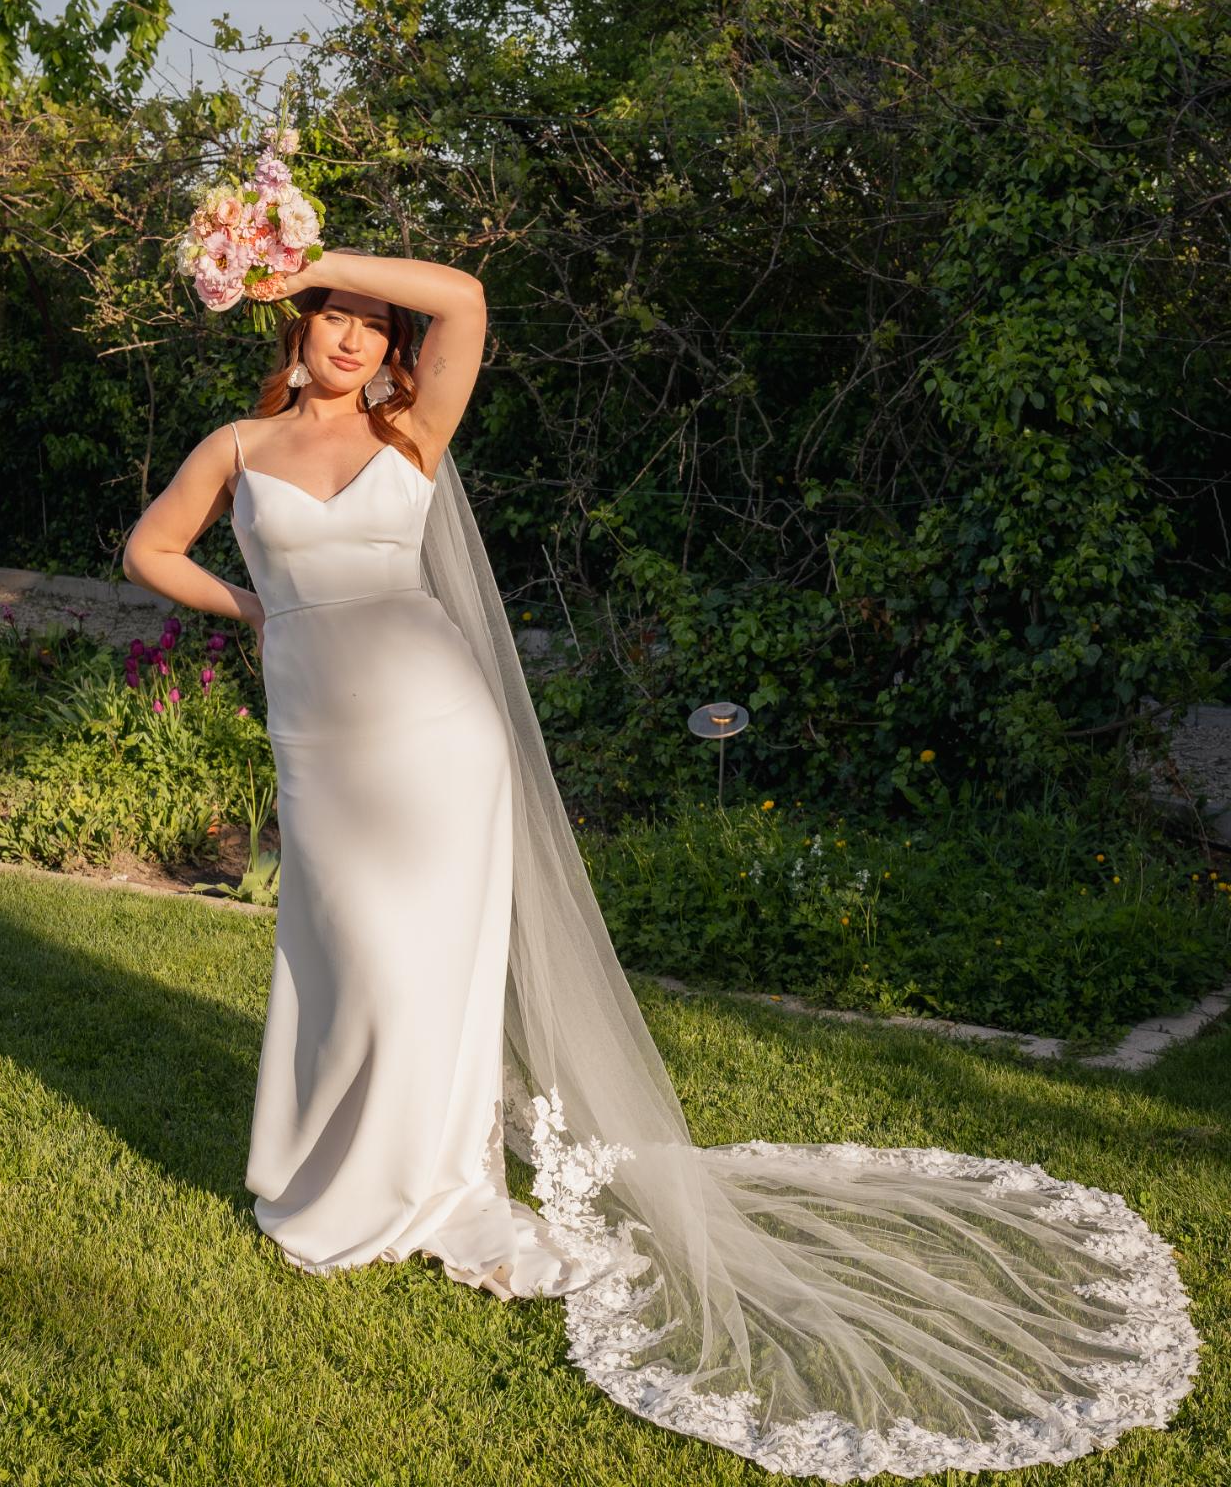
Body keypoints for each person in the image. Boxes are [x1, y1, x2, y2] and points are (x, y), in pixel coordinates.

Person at [123, 249, 1200, 1482]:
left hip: (437, 729)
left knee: (434, 968)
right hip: (321, 733)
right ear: (299, 332)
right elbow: (151, 550)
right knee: (348, 953)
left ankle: (432, 1189)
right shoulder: (236, 448)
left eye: (373, 323)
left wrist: (305, 251)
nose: (358, 338)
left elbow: (466, 298)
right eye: (336, 318)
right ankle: (341, 1176)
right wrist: (258, 609)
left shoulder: (416, 429)